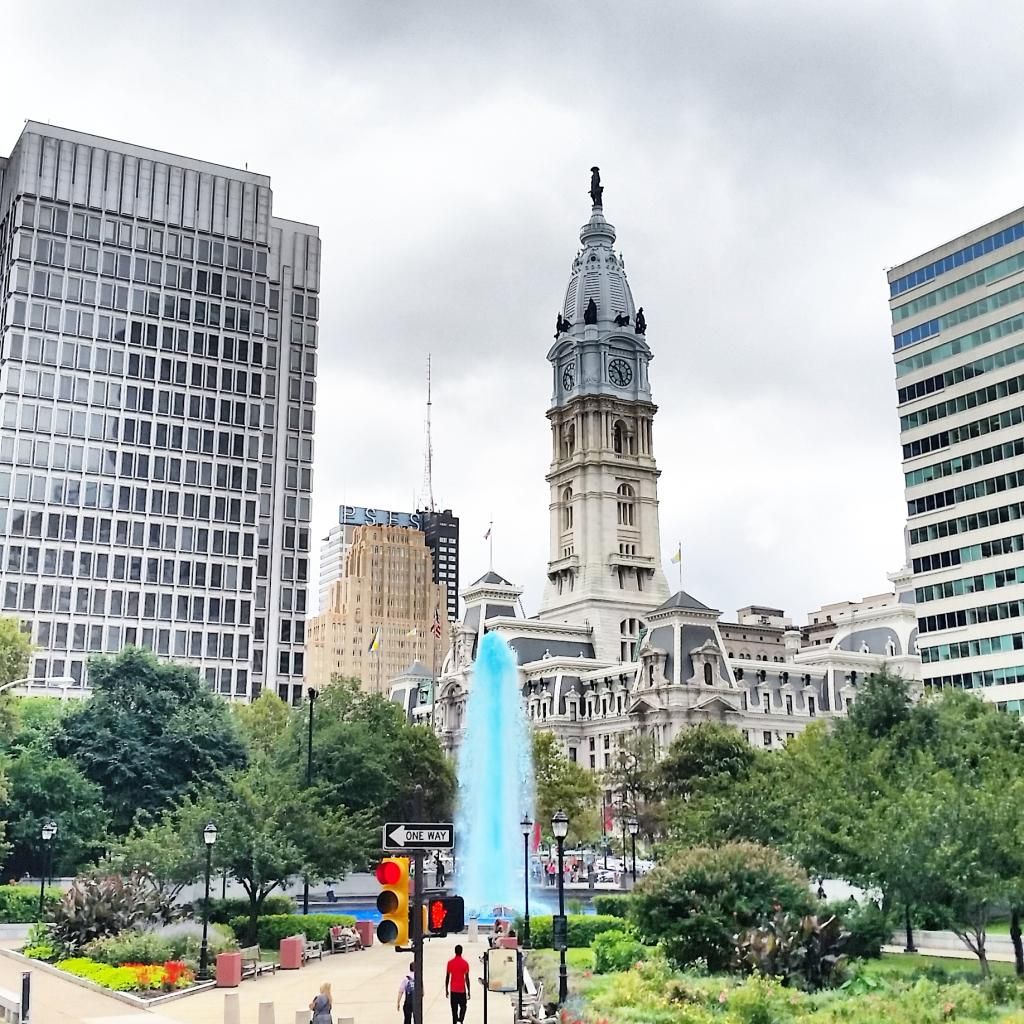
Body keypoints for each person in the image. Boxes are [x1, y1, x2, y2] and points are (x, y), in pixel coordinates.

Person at [445, 943, 471, 1024]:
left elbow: (447, 977)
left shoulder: (450, 963)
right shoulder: (465, 963)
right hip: (462, 990)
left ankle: (455, 1021)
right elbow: (467, 978)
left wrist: (446, 989)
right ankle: (461, 1018)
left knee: (454, 1010)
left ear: (455, 951)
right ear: (461, 952)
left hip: (453, 990)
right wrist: (469, 990)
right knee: (463, 1006)